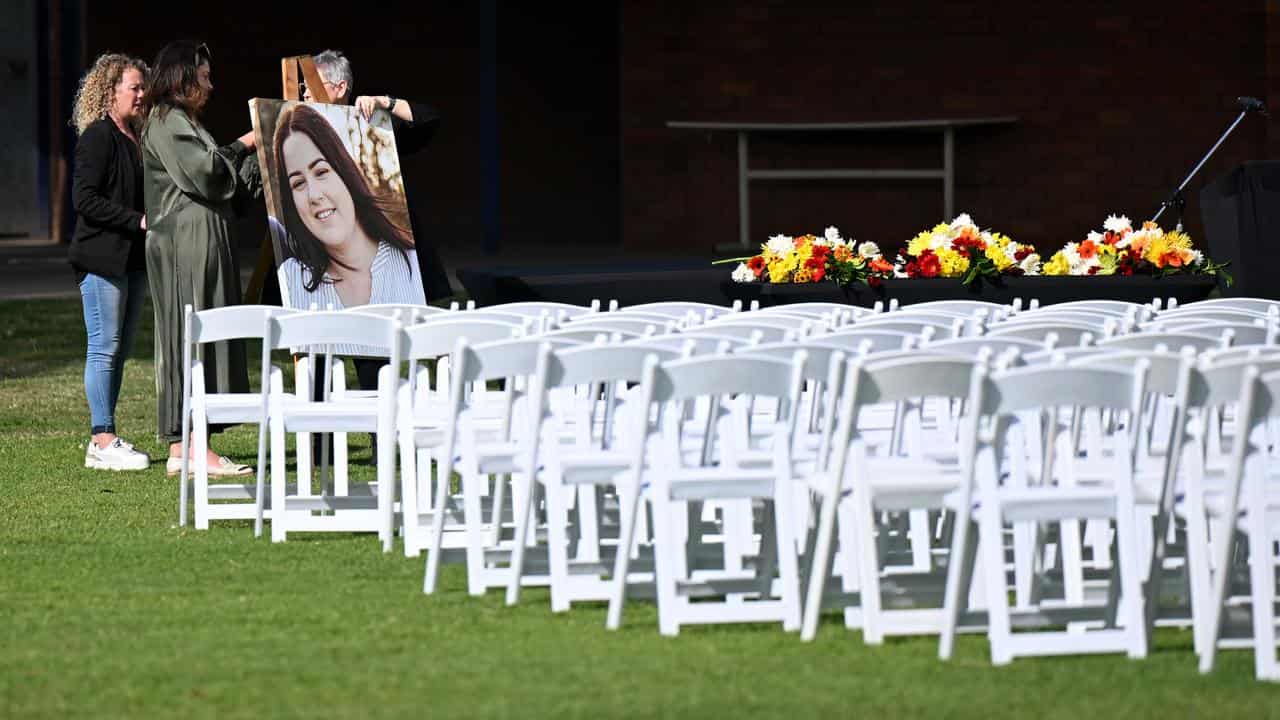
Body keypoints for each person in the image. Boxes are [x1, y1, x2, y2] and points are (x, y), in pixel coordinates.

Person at [141, 40, 256, 477]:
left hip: (188, 238)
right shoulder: (168, 120)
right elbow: (207, 173)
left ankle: (181, 448)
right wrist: (246, 143)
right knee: (198, 334)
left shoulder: (174, 120)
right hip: (186, 243)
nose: (210, 84)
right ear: (184, 76)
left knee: (186, 335)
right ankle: (197, 448)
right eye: (204, 76)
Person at [302, 49, 453, 302]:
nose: (305, 94)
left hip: (386, 256)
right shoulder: (298, 134)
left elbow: (428, 120)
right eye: (302, 87)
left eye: (312, 86)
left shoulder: (371, 125)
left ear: (340, 88)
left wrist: (385, 102)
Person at [69, 52, 152, 471]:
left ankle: (107, 435)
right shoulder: (98, 137)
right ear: (110, 91)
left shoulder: (135, 136)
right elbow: (83, 200)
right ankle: (101, 439)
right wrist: (136, 220)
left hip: (133, 262)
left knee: (119, 351)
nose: (141, 94)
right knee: (104, 348)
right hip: (102, 258)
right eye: (134, 87)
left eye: (142, 87)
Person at [273, 103, 425, 311]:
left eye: (321, 172)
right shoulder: (291, 280)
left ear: (343, 171)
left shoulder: (410, 264)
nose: (314, 195)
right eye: (298, 183)